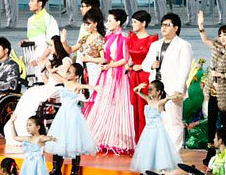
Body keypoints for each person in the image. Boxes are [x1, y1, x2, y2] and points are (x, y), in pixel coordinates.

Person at [84, 9, 136, 154]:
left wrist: (110, 65)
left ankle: (116, 139)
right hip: (107, 74)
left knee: (117, 105)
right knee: (104, 103)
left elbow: (125, 59)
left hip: (118, 75)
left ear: (118, 22)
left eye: (110, 20)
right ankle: (101, 136)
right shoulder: (108, 37)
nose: (107, 23)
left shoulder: (123, 38)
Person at [141, 12, 192, 152]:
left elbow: (185, 69)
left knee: (173, 122)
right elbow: (145, 65)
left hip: (172, 88)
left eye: (167, 25)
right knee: (157, 120)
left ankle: (174, 152)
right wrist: (152, 65)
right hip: (156, 89)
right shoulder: (155, 45)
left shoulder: (183, 45)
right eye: (162, 25)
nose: (163, 28)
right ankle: (158, 150)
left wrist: (179, 89)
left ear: (175, 28)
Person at [198, 12, 226, 164]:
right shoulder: (217, 47)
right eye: (220, 35)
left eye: (225, 35)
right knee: (211, 122)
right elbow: (205, 40)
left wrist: (221, 75)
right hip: (213, 91)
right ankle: (211, 151)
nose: (222, 38)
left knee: (225, 123)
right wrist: (201, 26)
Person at [7, 34, 70, 142]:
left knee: (37, 96)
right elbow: (48, 81)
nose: (49, 48)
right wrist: (43, 71)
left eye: (51, 46)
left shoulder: (66, 60)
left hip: (60, 88)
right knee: (31, 92)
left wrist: (50, 69)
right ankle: (22, 128)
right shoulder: (52, 60)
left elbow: (62, 80)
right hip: (50, 86)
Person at [45, 63, 97, 175]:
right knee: (59, 139)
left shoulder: (76, 85)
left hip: (73, 116)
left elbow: (86, 86)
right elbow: (53, 74)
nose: (67, 73)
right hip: (62, 116)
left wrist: (95, 88)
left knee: (74, 141)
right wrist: (50, 67)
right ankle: (56, 169)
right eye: (67, 71)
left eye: (70, 72)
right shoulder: (65, 82)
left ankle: (75, 171)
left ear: (76, 76)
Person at [130, 80, 183, 175]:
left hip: (157, 133)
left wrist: (176, 95)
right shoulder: (148, 100)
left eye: (151, 89)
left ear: (158, 92)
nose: (149, 91)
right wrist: (139, 86)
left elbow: (170, 98)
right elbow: (135, 91)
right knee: (146, 155)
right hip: (148, 132)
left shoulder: (160, 102)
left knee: (157, 156)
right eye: (148, 89)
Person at [127, 10, 159, 146]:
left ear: (144, 23)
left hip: (145, 76)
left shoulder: (151, 40)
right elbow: (129, 56)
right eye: (132, 22)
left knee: (144, 107)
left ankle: (147, 142)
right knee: (134, 109)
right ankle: (137, 142)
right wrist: (129, 63)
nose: (132, 25)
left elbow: (152, 59)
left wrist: (141, 66)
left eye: (135, 22)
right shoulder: (132, 38)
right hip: (133, 75)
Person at [64, 10, 105, 88]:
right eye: (85, 24)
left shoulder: (100, 39)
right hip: (85, 70)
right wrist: (63, 41)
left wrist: (89, 59)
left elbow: (103, 59)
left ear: (95, 24)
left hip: (95, 71)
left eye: (88, 24)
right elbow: (70, 50)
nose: (86, 26)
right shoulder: (85, 38)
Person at [24, 0, 60, 70]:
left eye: (32, 1)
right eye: (29, 1)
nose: (29, 3)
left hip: (44, 62)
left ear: (40, 3)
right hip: (31, 60)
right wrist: (26, 42)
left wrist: (40, 59)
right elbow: (35, 40)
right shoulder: (30, 20)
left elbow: (53, 43)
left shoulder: (49, 19)